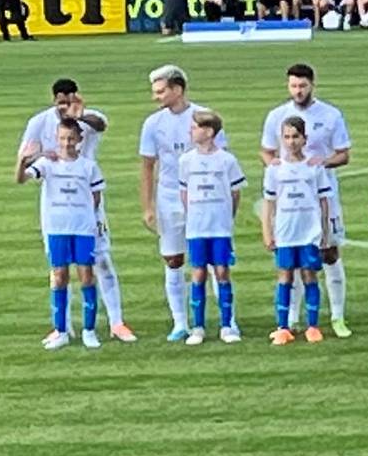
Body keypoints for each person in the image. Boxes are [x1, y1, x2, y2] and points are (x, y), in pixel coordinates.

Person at [17, 79, 131, 341]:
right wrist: (44, 154)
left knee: (101, 259)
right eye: (61, 101)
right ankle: (63, 326)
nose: (65, 105)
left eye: (70, 100)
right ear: (55, 99)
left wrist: (80, 116)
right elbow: (25, 156)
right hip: (55, 206)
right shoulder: (39, 122)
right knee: (58, 267)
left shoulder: (88, 117)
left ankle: (117, 322)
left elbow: (101, 125)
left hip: (88, 200)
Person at [261, 63, 357, 337]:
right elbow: (266, 152)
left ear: (312, 84)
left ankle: (337, 317)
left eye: (302, 85)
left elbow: (344, 154)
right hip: (289, 202)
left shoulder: (330, 114)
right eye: (293, 85)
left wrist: (321, 163)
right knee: (290, 259)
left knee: (329, 252)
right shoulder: (277, 115)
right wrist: (277, 168)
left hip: (322, 193)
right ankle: (291, 319)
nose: (298, 90)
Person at [140, 66, 228, 342]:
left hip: (203, 199)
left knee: (213, 261)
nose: (156, 97)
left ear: (177, 89)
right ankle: (180, 322)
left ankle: (226, 321)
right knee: (173, 258)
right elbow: (147, 166)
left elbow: (221, 162)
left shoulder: (203, 117)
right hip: (169, 197)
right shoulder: (153, 124)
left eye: (161, 91)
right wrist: (148, 206)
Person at [21, 116, 106, 349]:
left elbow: (96, 197)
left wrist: (85, 217)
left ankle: (89, 330)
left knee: (86, 276)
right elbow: (21, 179)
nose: (66, 143)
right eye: (62, 138)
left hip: (82, 229)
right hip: (57, 229)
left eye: (70, 138)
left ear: (79, 139)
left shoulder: (88, 166)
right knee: (59, 277)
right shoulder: (47, 163)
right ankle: (61, 331)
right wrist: (22, 161)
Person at [258, 116, 333, 345]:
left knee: (309, 275)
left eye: (295, 137)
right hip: (285, 231)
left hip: (308, 231)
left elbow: (323, 201)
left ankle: (312, 325)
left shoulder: (314, 167)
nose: (291, 142)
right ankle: (282, 327)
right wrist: (267, 232)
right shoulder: (275, 169)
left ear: (304, 139)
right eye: (287, 137)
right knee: (285, 276)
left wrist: (325, 232)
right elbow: (269, 203)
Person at [177, 109, 248, 343]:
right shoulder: (186, 160)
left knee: (222, 272)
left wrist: (228, 217)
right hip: (197, 227)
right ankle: (197, 326)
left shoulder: (227, 160)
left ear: (208, 132)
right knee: (197, 273)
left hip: (219, 227)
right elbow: (184, 192)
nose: (191, 130)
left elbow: (235, 192)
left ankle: (227, 325)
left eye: (195, 127)